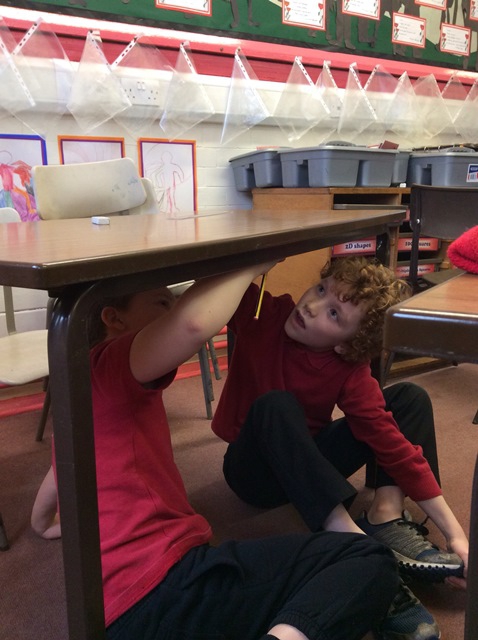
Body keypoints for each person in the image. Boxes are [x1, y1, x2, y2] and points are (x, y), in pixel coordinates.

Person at [31, 263, 401, 640]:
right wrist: (253, 262)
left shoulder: (83, 387)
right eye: (163, 303)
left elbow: (65, 460)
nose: (174, 308)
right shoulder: (113, 362)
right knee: (368, 559)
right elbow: (192, 324)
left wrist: (40, 521)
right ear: (114, 319)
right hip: (164, 584)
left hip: (115, 611)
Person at [211, 255, 469, 640]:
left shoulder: (349, 368)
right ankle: (355, 547)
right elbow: (216, 284)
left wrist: (456, 534)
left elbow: (391, 443)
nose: (312, 305)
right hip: (253, 473)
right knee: (276, 405)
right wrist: (255, 261)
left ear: (347, 346)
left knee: (408, 398)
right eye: (321, 289)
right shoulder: (266, 312)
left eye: (334, 313)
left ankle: (384, 517)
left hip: (306, 460)